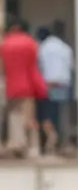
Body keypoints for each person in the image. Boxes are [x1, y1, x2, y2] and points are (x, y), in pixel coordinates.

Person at [2, 18, 47, 157]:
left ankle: (16, 143)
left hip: (10, 86)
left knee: (14, 114)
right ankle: (33, 148)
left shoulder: (4, 44)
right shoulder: (31, 44)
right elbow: (34, 67)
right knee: (29, 118)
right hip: (27, 86)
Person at [38, 20, 74, 153]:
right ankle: (64, 144)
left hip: (48, 85)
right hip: (63, 85)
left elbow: (39, 66)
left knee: (47, 115)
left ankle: (51, 140)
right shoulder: (66, 48)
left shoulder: (43, 47)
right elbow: (71, 67)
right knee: (62, 115)